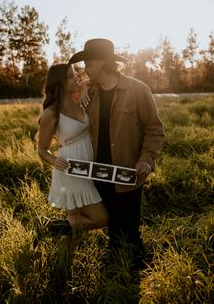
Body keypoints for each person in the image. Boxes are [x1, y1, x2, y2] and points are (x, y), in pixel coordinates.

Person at [68, 39, 165, 264]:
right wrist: (83, 85)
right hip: (98, 173)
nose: (85, 69)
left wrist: (146, 159)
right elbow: (58, 101)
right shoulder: (89, 93)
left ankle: (136, 272)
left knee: (130, 231)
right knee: (112, 229)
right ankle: (114, 268)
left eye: (88, 63)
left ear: (102, 62)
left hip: (129, 173)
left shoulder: (138, 90)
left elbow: (155, 129)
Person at [37, 63, 109, 236]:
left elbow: (95, 80)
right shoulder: (51, 113)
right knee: (101, 218)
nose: (77, 77)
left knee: (74, 220)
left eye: (76, 73)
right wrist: (54, 160)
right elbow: (42, 149)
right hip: (71, 168)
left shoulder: (80, 98)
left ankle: (58, 243)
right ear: (59, 83)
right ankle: (50, 228)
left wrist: (84, 85)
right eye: (70, 76)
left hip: (90, 165)